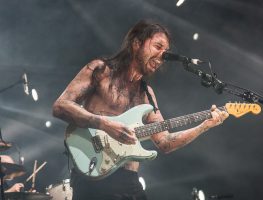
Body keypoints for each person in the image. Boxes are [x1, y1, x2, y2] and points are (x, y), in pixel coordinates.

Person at [52, 19, 229, 200]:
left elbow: (165, 142)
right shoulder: (101, 70)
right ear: (136, 44)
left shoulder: (147, 94)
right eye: (157, 47)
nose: (162, 56)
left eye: (165, 52)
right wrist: (105, 124)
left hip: (129, 181)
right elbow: (61, 106)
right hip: (93, 172)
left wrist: (204, 125)